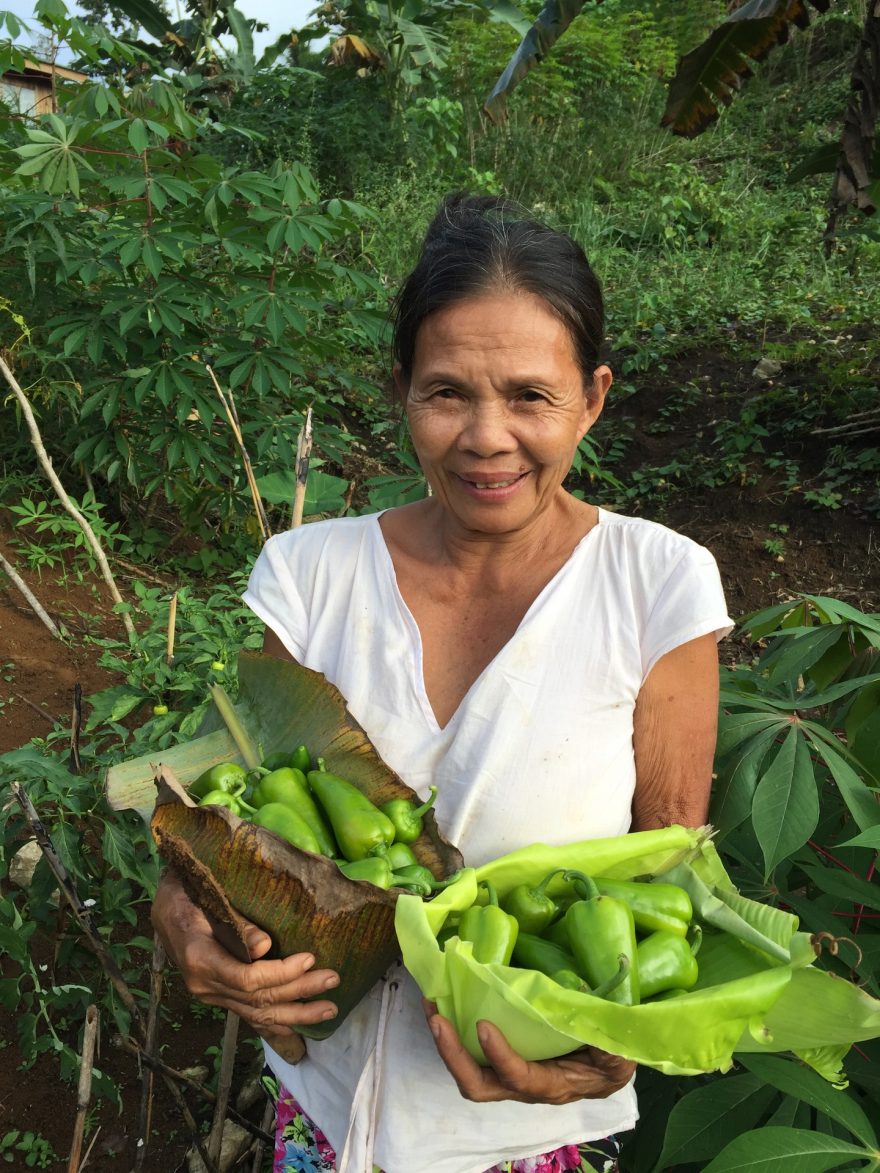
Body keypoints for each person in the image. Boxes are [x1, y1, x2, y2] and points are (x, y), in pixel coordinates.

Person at [152, 194, 732, 1173]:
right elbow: (226, 807)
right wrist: (179, 913)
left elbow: (667, 873)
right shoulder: (305, 579)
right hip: (326, 1122)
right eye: (448, 392)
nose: (486, 436)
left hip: (528, 1136)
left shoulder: (655, 585)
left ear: (592, 398)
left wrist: (615, 1052)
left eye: (530, 397)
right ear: (402, 392)